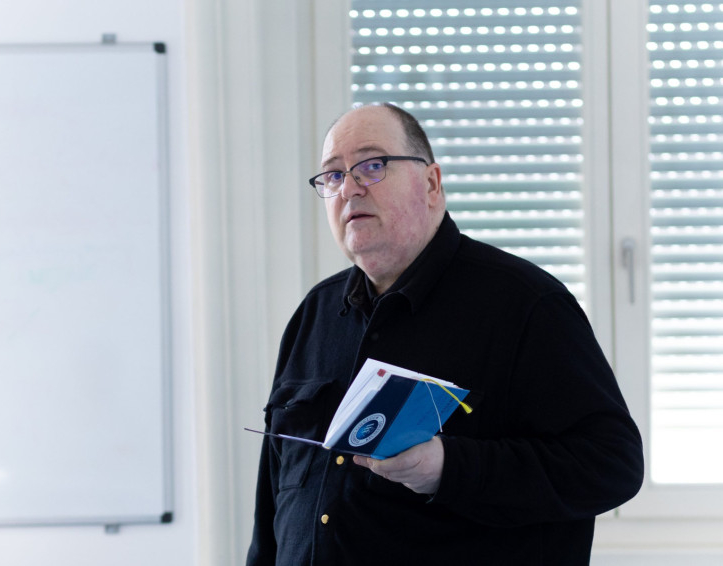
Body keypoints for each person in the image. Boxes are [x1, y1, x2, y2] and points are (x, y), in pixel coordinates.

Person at [246, 103, 643, 565]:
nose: (349, 188)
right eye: (334, 175)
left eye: (372, 166)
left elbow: (612, 465)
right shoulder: (313, 314)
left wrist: (448, 468)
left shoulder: (526, 304)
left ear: (431, 184)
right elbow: (272, 503)